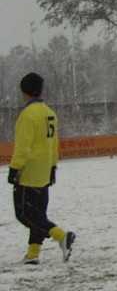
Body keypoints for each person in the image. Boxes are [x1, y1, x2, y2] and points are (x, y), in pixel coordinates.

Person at [7, 73, 75, 265]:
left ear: (24, 91)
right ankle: (32, 254)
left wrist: (14, 168)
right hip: (44, 169)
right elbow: (53, 143)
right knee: (38, 214)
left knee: (24, 214)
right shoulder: (49, 112)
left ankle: (61, 236)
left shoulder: (28, 115)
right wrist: (52, 166)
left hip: (29, 172)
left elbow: (23, 147)